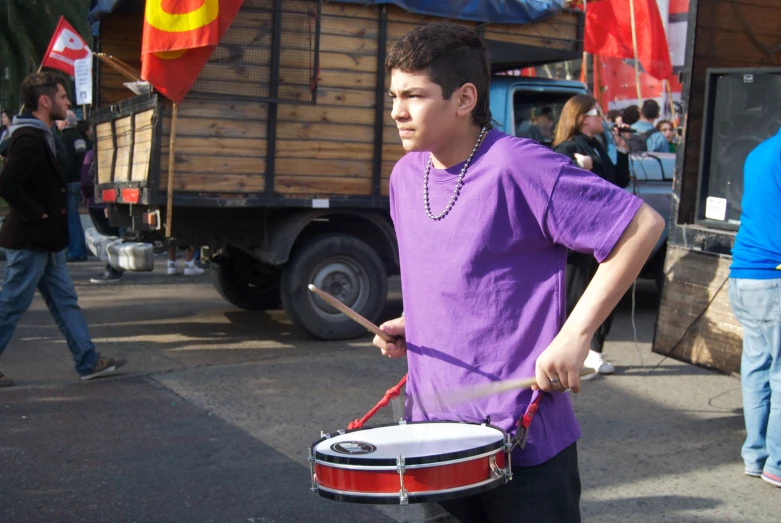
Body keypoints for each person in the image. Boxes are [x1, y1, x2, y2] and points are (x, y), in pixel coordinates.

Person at [373, 23, 664, 521]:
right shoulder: (405, 175)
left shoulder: (517, 165)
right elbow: (455, 273)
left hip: (521, 441)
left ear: (465, 98)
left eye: (414, 95)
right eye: (394, 95)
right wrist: (412, 318)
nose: (397, 110)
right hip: (431, 434)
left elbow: (642, 224)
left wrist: (576, 335)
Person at [0, 71, 127, 387]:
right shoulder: (28, 138)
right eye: (61, 96)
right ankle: (87, 359)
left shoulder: (39, 133)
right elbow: (9, 184)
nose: (67, 102)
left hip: (46, 240)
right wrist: (39, 215)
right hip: (31, 239)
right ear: (45, 101)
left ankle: (87, 360)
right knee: (12, 303)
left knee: (64, 300)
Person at [553, 95, 632, 379]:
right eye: (597, 112)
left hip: (603, 233)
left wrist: (622, 150)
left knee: (604, 293)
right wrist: (577, 166)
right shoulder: (569, 146)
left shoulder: (596, 145)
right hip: (579, 238)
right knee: (574, 298)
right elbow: (556, 179)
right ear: (583, 118)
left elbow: (617, 181)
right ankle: (567, 354)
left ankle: (596, 351)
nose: (602, 117)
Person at [728, 127, 781, 489]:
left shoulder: (760, 151)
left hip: (743, 275)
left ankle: (755, 455)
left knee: (756, 369)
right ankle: (777, 462)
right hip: (773, 277)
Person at [81, 147, 124, 284]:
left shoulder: (91, 155)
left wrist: (87, 195)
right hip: (117, 200)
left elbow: (86, 180)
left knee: (106, 238)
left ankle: (112, 270)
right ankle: (113, 268)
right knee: (114, 235)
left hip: (96, 202)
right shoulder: (119, 152)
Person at [60, 110, 89, 262]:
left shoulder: (65, 138)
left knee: (71, 219)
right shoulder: (79, 137)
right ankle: (81, 250)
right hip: (79, 181)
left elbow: (67, 162)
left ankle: (75, 251)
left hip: (70, 182)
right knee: (75, 218)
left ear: (65, 122)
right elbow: (80, 159)